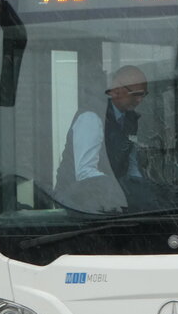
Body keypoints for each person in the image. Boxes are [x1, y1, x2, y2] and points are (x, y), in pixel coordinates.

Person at [55, 65, 163, 212]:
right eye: (136, 94)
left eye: (144, 94)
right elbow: (85, 172)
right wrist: (119, 188)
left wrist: (140, 188)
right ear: (116, 90)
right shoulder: (91, 117)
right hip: (77, 202)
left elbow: (131, 164)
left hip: (111, 200)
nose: (139, 100)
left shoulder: (130, 119)